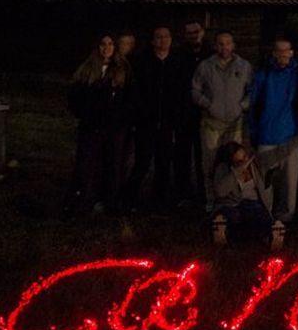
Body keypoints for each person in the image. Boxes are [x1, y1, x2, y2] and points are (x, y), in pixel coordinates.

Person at [64, 34, 133, 216]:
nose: (106, 48)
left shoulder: (122, 70)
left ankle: (109, 202)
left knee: (112, 166)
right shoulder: (87, 69)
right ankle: (77, 202)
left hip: (114, 128)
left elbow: (130, 98)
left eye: (110, 44)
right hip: (91, 126)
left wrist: (121, 119)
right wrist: (83, 114)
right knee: (84, 165)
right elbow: (74, 96)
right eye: (103, 44)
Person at [122, 24, 185, 208]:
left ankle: (159, 199)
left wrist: (176, 116)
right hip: (146, 121)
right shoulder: (142, 62)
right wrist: (138, 114)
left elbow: (181, 92)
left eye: (166, 36)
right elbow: (135, 91)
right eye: (159, 37)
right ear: (152, 41)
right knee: (142, 162)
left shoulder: (177, 62)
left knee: (163, 163)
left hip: (167, 121)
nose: (163, 40)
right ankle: (129, 197)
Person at [249, 37, 298, 225]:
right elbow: (253, 105)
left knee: (289, 183)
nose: (283, 54)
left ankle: (284, 222)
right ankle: (265, 218)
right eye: (279, 50)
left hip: (290, 136)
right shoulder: (263, 75)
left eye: (286, 50)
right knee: (265, 183)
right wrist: (254, 133)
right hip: (266, 135)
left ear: (292, 52)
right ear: (274, 53)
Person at [193, 30, 252, 211]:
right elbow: (195, 90)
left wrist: (242, 106)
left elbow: (252, 90)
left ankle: (233, 200)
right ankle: (211, 201)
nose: (224, 47)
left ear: (233, 45)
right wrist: (208, 105)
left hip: (234, 123)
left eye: (227, 43)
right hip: (211, 123)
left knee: (235, 163)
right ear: (215, 46)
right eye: (220, 43)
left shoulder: (244, 66)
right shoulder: (205, 66)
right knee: (210, 164)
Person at [210, 141, 283, 248]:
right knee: (234, 216)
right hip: (231, 205)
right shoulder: (223, 168)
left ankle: (269, 235)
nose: (245, 162)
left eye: (245, 156)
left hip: (252, 203)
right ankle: (222, 230)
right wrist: (236, 172)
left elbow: (266, 186)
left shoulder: (255, 165)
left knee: (258, 217)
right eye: (240, 161)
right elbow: (220, 192)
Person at [174, 20, 213, 207]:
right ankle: (183, 193)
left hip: (205, 113)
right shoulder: (179, 55)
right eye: (189, 32)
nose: (194, 35)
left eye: (196, 31)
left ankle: (205, 193)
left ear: (202, 32)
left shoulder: (211, 54)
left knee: (203, 156)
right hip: (184, 113)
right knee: (182, 154)